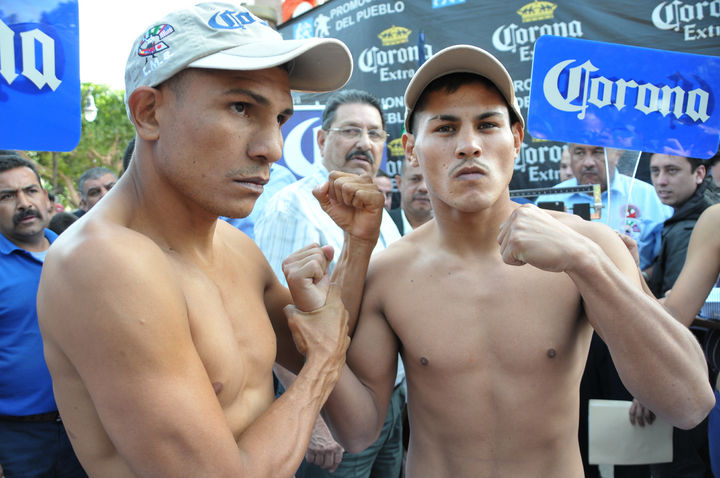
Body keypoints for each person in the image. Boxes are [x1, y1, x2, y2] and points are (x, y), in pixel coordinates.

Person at [320, 44, 714, 478]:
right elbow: (357, 433)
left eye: (488, 125)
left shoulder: (587, 245)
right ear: (411, 149)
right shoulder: (388, 273)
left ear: (517, 139)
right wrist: (315, 331)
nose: (469, 145)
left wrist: (586, 262)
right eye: (446, 128)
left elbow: (690, 402)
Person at [36, 3, 386, 477]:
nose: (273, 148)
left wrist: (356, 246)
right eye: (241, 107)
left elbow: (358, 426)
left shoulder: (236, 250)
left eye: (280, 118)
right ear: (149, 113)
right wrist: (321, 361)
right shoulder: (101, 262)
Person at [256, 88, 404, 478]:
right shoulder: (293, 206)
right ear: (322, 140)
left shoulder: (379, 213)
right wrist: (317, 422)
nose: (364, 143)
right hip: (333, 412)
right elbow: (278, 324)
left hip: (389, 401)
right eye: (350, 131)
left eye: (374, 133)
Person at [0, 152, 87, 477]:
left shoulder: (79, 254)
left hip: (87, 426)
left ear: (47, 199)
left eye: (30, 190)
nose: (24, 203)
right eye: (7, 196)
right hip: (18, 439)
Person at [536, 143, 671, 270]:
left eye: (598, 152)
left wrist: (643, 278)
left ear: (617, 154)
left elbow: (667, 260)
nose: (588, 162)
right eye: (580, 152)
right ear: (570, 154)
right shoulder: (548, 201)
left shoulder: (649, 197)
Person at [389, 155, 432, 235]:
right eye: (415, 179)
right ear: (399, 183)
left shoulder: (451, 231)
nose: (424, 188)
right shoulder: (381, 224)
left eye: (430, 181)